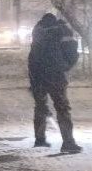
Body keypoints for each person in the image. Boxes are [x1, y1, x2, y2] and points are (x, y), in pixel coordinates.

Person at [27, 12, 82, 153]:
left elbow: (32, 57)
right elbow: (72, 52)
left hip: (38, 75)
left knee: (40, 106)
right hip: (56, 75)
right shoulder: (62, 30)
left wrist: (33, 77)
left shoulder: (37, 31)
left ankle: (39, 139)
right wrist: (65, 66)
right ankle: (68, 142)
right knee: (62, 108)